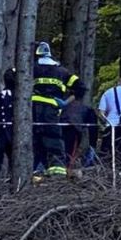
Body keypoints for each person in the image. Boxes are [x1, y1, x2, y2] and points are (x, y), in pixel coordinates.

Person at [32, 41, 78, 176]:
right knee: (53, 140)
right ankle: (56, 171)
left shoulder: (31, 68)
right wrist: (65, 102)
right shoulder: (62, 71)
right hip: (52, 111)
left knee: (32, 140)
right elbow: (80, 88)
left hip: (32, 109)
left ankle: (34, 170)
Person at [61, 80, 98, 170]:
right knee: (69, 153)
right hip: (73, 131)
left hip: (60, 131)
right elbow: (93, 129)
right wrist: (93, 145)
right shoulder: (86, 109)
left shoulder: (60, 106)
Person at [0, 68, 15, 177]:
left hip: (13, 133)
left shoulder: (19, 97)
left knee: (14, 158)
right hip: (0, 133)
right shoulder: (0, 95)